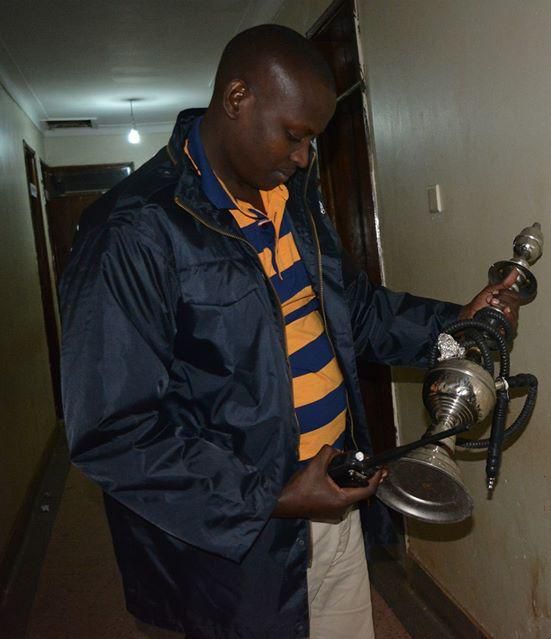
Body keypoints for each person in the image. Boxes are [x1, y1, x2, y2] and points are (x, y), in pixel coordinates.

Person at [58, 24, 519, 639]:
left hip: (328, 496)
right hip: (226, 546)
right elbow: (114, 431)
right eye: (295, 136)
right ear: (237, 98)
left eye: (312, 141)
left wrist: (457, 323)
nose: (304, 157)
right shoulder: (133, 233)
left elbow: (352, 312)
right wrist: (270, 497)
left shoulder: (290, 197)